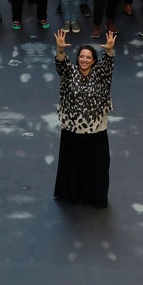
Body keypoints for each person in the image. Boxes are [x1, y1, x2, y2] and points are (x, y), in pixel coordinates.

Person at [53, 28, 117, 209]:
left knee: (97, 165)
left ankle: (96, 197)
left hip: (96, 128)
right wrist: (59, 49)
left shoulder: (101, 74)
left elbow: (109, 63)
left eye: (88, 57)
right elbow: (60, 63)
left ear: (94, 60)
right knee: (74, 164)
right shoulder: (69, 72)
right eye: (81, 56)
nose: (84, 60)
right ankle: (73, 194)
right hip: (73, 128)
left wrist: (110, 50)